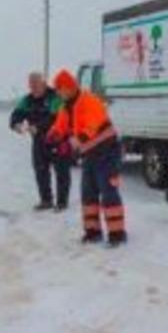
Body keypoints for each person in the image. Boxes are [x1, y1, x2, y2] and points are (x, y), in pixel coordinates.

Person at [47, 69, 127, 247]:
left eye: (59, 89)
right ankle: (92, 232)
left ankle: (117, 234)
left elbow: (92, 125)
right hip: (90, 155)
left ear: (68, 87)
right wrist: (53, 134)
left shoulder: (89, 101)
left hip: (107, 152)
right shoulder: (66, 106)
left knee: (108, 192)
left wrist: (78, 140)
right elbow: (60, 124)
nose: (58, 93)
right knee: (88, 193)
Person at [10, 72, 71, 212]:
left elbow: (55, 117)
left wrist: (38, 127)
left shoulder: (55, 97)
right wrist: (16, 125)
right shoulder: (27, 100)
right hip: (39, 141)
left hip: (58, 140)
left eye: (36, 85)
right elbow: (16, 114)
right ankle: (46, 200)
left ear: (44, 83)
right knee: (40, 171)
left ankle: (62, 202)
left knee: (61, 172)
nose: (33, 88)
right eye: (30, 85)